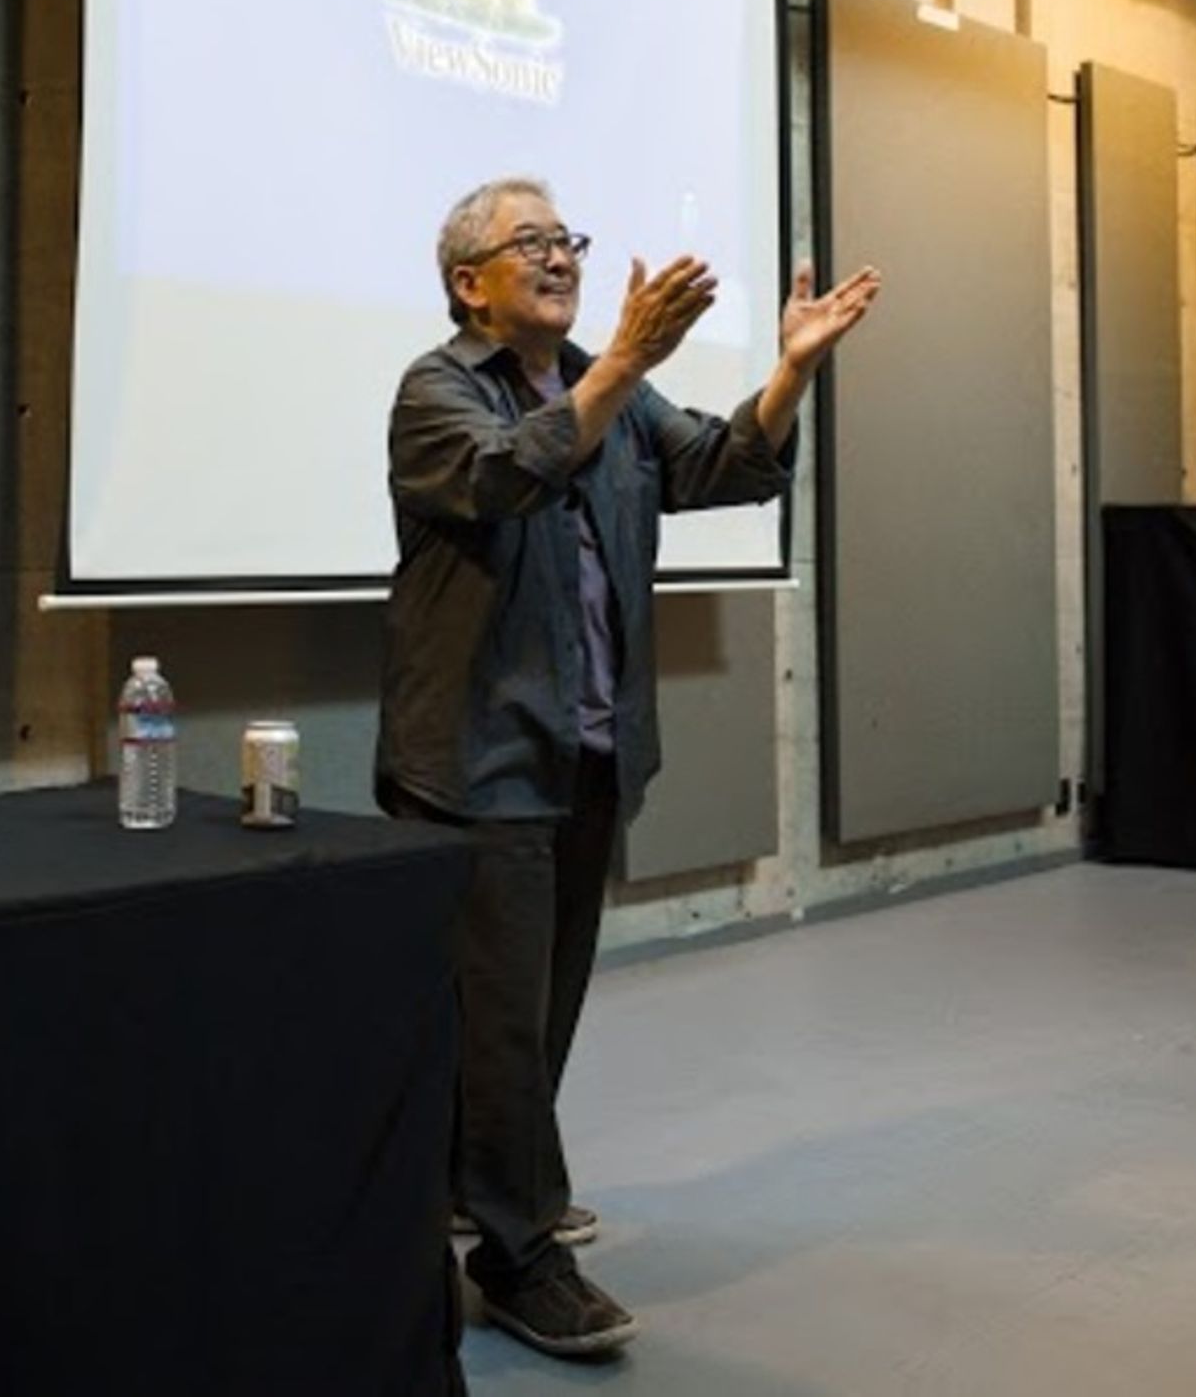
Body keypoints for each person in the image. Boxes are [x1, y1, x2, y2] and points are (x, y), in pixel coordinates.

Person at [376, 176, 881, 1361]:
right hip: (476, 757)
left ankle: (481, 1186)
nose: (560, 257)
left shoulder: (618, 390)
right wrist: (615, 371)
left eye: (567, 240)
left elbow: (726, 468)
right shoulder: (436, 390)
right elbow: (505, 476)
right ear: (470, 283)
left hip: (588, 751)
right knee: (498, 1021)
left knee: (538, 1009)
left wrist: (791, 369)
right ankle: (515, 1257)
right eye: (530, 243)